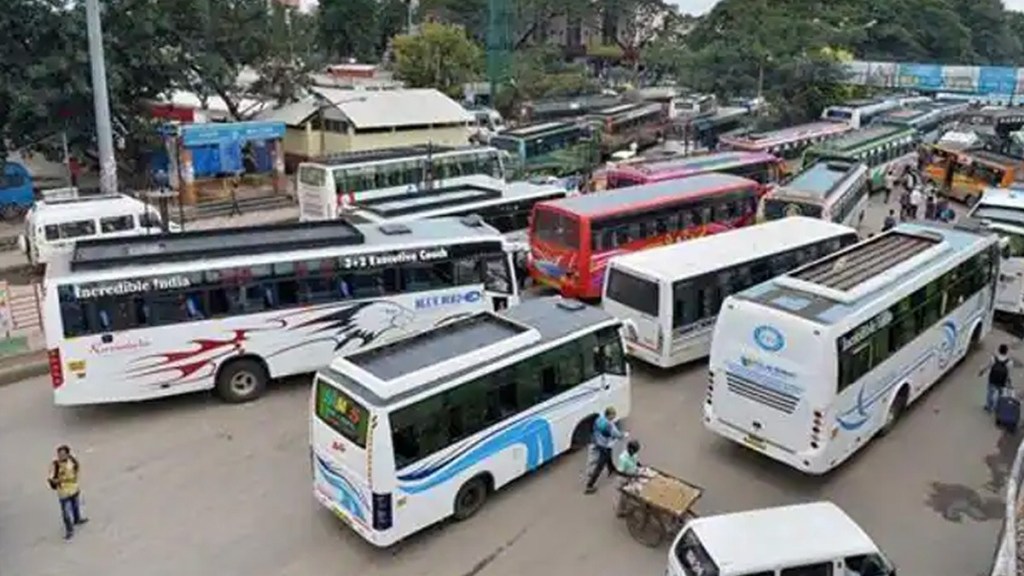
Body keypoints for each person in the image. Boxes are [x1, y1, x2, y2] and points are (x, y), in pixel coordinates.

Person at [48, 445, 88, 540]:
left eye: (63, 454)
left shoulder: (72, 461)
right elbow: (51, 478)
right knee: (66, 512)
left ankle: (77, 519)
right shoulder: (55, 465)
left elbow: (77, 468)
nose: (61, 456)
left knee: (75, 506)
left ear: (67, 454)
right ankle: (69, 530)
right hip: (63, 492)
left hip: (74, 488)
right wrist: (56, 481)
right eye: (59, 454)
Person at [584, 407, 626, 494]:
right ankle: (589, 485)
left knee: (608, 456)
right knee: (600, 466)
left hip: (598, 442)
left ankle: (611, 470)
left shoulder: (599, 419)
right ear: (609, 415)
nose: (614, 417)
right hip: (604, 445)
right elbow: (617, 435)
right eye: (613, 415)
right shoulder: (609, 425)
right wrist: (623, 435)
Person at [980, 344, 1015, 412]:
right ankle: (997, 407)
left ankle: (989, 406)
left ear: (999, 350)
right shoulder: (1010, 362)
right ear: (1006, 352)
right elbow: (1009, 373)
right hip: (1002, 381)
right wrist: (1008, 381)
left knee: (990, 393)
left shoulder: (993, 358)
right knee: (1000, 394)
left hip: (993, 379)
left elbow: (988, 366)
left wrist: (982, 371)